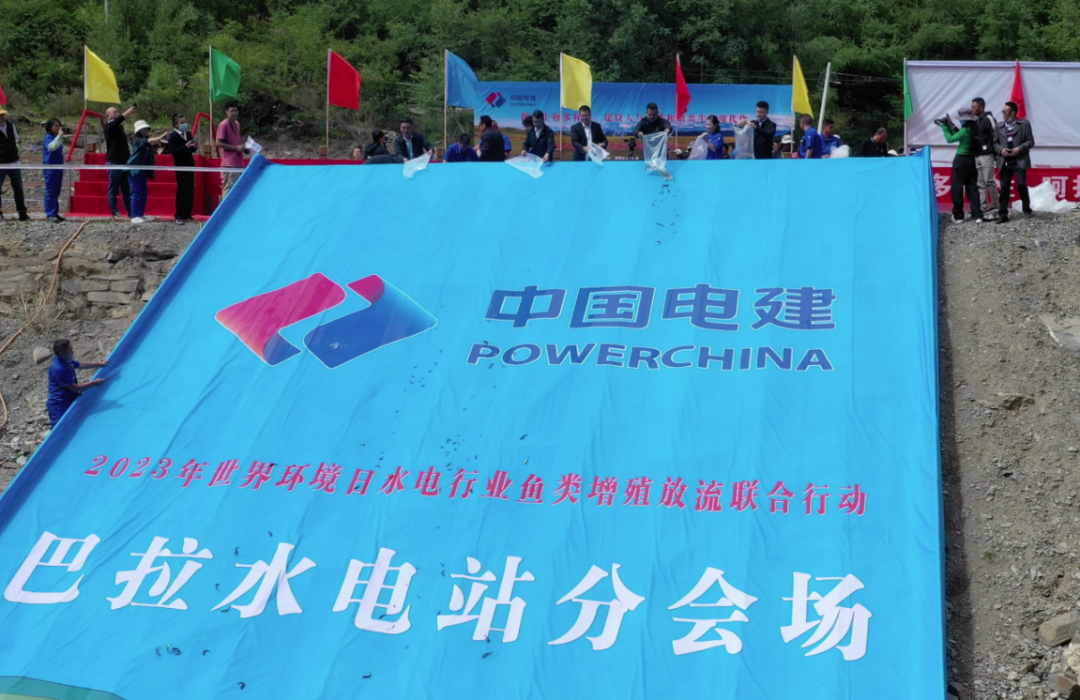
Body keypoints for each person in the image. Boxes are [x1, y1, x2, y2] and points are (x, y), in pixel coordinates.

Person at [47, 339, 108, 427]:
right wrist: (94, 383)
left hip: (70, 397)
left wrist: (99, 364)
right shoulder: (59, 369)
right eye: (70, 351)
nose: (73, 352)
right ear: (62, 354)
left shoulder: (65, 360)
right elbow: (74, 388)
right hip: (59, 405)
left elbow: (80, 365)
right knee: (60, 428)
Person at [940, 108, 984, 223]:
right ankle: (977, 215)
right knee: (973, 188)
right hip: (971, 160)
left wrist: (944, 127)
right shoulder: (973, 129)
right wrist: (949, 126)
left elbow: (950, 139)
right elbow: (958, 136)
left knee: (957, 187)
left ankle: (958, 215)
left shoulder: (964, 130)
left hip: (960, 160)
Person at [995, 100, 1035, 223]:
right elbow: (994, 143)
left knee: (1021, 185)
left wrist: (1020, 148)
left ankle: (1027, 209)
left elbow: (1030, 142)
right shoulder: (998, 126)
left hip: (1019, 159)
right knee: (1004, 188)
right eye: (1002, 111)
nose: (1003, 114)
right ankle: (1003, 214)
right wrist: (1001, 150)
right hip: (1005, 160)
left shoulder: (1024, 124)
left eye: (1005, 112)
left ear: (1013, 113)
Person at [127, 120, 165, 224]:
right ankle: (135, 215)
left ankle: (141, 214)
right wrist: (159, 137)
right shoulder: (135, 140)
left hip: (143, 169)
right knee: (136, 192)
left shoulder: (147, 143)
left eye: (146, 129)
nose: (145, 131)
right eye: (143, 129)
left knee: (143, 192)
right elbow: (145, 142)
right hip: (134, 170)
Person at [164, 114, 198, 225]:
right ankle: (179, 214)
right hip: (180, 165)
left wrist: (194, 146)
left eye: (185, 122)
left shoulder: (188, 134)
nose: (184, 124)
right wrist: (186, 146)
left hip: (190, 164)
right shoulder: (173, 136)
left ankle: (188, 213)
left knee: (190, 189)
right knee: (182, 190)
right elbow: (173, 151)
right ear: (176, 124)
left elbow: (191, 150)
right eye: (182, 123)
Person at [104, 105, 137, 218]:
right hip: (114, 162)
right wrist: (127, 112)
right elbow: (116, 122)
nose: (117, 113)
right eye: (114, 112)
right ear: (108, 116)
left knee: (126, 188)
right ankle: (114, 211)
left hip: (124, 162)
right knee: (114, 188)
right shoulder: (108, 126)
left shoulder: (119, 128)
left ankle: (131, 212)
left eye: (117, 112)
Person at [971, 97, 999, 219]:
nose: (972, 109)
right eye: (972, 107)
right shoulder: (975, 121)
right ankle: (983, 207)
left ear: (981, 107)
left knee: (989, 181)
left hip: (987, 155)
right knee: (980, 183)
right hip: (977, 155)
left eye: (974, 107)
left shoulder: (989, 119)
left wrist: (996, 153)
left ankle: (996, 206)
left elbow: (996, 135)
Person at [216, 103, 247, 197]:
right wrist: (235, 148)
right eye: (232, 111)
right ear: (226, 112)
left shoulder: (237, 124)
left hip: (239, 162)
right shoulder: (224, 124)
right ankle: (226, 206)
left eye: (236, 110)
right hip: (229, 163)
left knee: (238, 189)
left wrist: (243, 147)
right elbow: (218, 143)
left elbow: (237, 140)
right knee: (229, 188)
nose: (234, 113)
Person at [43, 119, 67, 223]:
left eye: (59, 126)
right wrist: (59, 136)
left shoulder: (57, 137)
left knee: (56, 191)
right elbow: (51, 147)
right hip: (50, 168)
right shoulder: (48, 138)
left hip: (58, 167)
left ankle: (55, 212)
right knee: (50, 191)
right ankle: (50, 214)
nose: (58, 128)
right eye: (56, 126)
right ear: (50, 127)